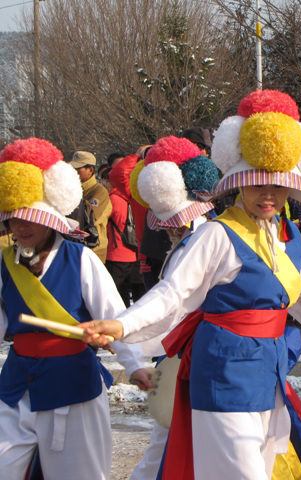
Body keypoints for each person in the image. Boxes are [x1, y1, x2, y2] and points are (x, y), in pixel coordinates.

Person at [80, 89, 301, 480]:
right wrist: (122, 325)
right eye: (258, 184)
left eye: (278, 186)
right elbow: (173, 293)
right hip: (223, 372)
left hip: (269, 372)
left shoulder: (290, 237)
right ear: (238, 183)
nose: (268, 194)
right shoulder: (216, 235)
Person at [0, 138, 151, 480]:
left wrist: (135, 365)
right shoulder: (4, 263)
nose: (20, 227)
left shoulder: (79, 258)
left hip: (72, 382)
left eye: (29, 219)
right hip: (17, 381)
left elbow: (115, 316)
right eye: (13, 220)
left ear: (50, 220)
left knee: (77, 473)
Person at [125, 135, 219, 480]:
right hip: (181, 354)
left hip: (203, 355)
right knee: (166, 439)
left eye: (174, 221)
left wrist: (123, 328)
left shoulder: (207, 240)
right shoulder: (184, 244)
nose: (170, 229)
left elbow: (171, 297)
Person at [101, 167, 144, 306]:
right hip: (132, 251)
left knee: (116, 293)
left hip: (115, 251)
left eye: (104, 180)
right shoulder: (129, 197)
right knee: (131, 293)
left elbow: (102, 219)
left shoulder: (112, 199)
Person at [69, 151, 112, 263]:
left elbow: (91, 216)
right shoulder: (71, 188)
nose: (73, 172)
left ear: (90, 170)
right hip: (74, 244)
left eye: (77, 169)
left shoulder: (99, 191)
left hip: (94, 247)